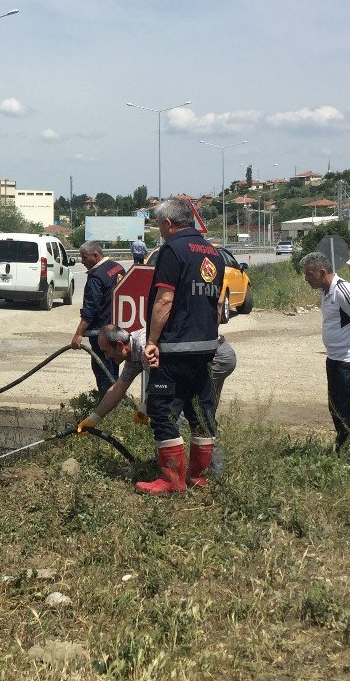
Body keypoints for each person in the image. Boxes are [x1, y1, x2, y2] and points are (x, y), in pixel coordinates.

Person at [105, 198, 225, 495]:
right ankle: (198, 476)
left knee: (163, 411)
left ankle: (172, 481)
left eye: (158, 224)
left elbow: (164, 300)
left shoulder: (172, 250)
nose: (159, 230)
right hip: (207, 346)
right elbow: (218, 303)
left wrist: (153, 342)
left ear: (168, 224)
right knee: (200, 411)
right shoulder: (214, 253)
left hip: (176, 347)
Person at [77, 325, 236, 486]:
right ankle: (183, 471)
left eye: (105, 351)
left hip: (217, 356)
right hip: (205, 355)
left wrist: (147, 407)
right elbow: (118, 388)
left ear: (119, 345)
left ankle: (188, 474)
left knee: (181, 414)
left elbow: (167, 386)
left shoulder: (145, 346)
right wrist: (93, 419)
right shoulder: (133, 356)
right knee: (192, 412)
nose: (106, 357)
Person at [301, 252, 350, 456]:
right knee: (336, 408)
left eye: (309, 274)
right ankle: (343, 449)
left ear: (322, 272)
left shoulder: (344, 291)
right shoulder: (325, 291)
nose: (306, 278)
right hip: (335, 358)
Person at [70, 241, 124, 397]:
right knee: (114, 371)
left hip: (100, 334)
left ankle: (106, 409)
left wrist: (78, 333)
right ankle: (116, 406)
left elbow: (90, 309)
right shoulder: (117, 267)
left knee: (103, 373)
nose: (82, 261)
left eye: (84, 257)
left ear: (96, 255)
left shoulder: (96, 277)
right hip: (117, 329)